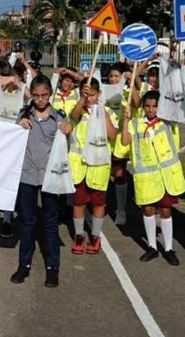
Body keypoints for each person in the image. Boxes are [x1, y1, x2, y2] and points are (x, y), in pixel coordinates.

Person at [10, 75, 72, 288]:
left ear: (50, 94)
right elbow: (10, 141)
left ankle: (52, 268)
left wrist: (68, 133)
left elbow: (66, 149)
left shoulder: (59, 118)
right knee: (27, 222)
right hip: (27, 175)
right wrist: (18, 126)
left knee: (50, 224)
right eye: (36, 96)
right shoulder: (24, 114)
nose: (40, 99)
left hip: (49, 177)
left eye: (44, 95)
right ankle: (23, 265)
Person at [121, 90, 185, 266]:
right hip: (147, 179)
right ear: (143, 107)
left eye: (155, 106)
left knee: (165, 211)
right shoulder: (135, 124)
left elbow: (178, 109)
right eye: (148, 106)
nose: (151, 109)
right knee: (148, 210)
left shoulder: (167, 123)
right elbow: (125, 141)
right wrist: (126, 120)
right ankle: (152, 246)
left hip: (165, 178)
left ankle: (168, 248)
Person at [68, 78, 118, 255]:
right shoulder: (78, 109)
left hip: (99, 167)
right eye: (86, 95)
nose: (90, 99)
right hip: (80, 166)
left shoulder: (107, 112)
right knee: (79, 202)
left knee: (98, 203)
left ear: (99, 94)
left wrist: (103, 114)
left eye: (93, 95)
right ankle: (79, 235)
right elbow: (73, 116)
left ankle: (96, 236)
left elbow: (112, 135)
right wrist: (82, 99)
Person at [0, 60, 28, 237]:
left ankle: (7, 219)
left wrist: (16, 81)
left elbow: (30, 95)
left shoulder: (20, 93)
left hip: (12, 148)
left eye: (3, 74)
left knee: (8, 184)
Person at [107, 62, 133, 225]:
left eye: (116, 76)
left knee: (119, 173)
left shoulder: (128, 92)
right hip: (105, 136)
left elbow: (136, 104)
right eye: (110, 76)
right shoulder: (105, 91)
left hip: (120, 138)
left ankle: (121, 210)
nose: (113, 79)